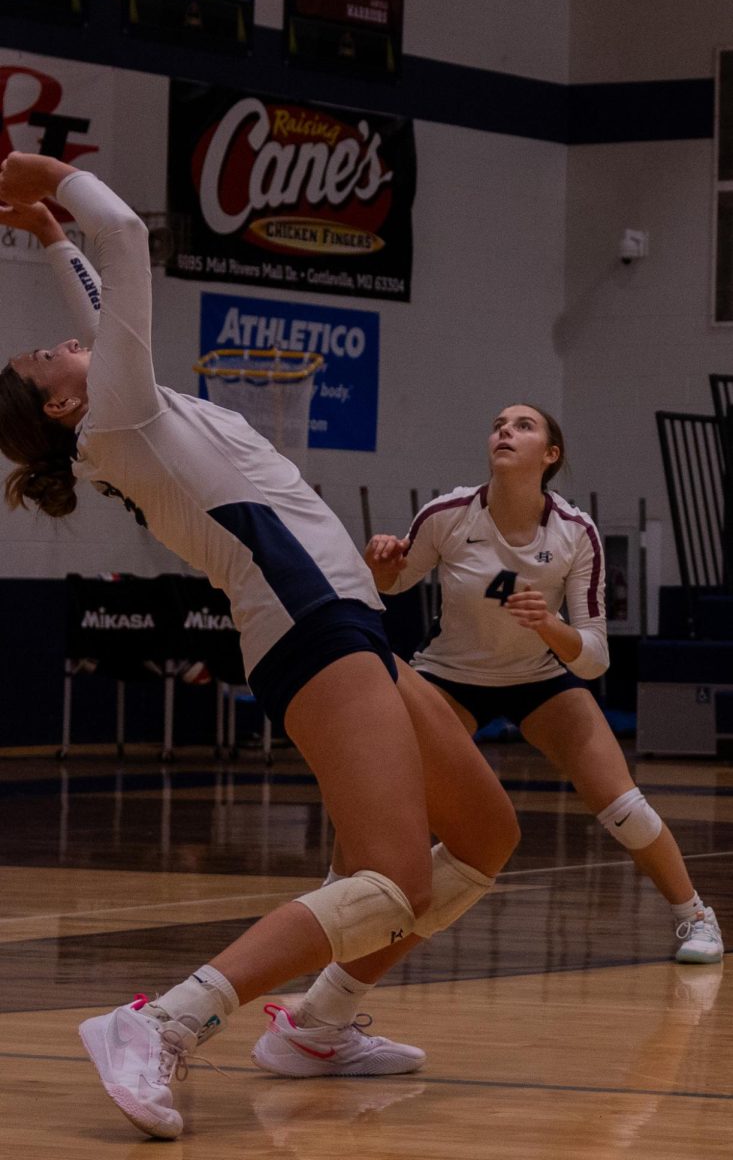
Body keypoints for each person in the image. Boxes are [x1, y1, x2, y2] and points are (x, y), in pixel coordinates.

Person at [0, 152, 520, 1139]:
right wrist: (51, 176)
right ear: (65, 405)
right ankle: (160, 1021)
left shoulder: (120, 406)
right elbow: (130, 241)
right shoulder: (118, 414)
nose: (62, 341)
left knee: (486, 834)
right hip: (305, 624)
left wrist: (50, 237)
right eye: (43, 357)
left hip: (343, 618)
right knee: (391, 878)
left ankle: (316, 1027)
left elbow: (103, 288)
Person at [255, 402, 724, 1073]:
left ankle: (694, 916)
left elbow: (592, 657)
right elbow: (381, 587)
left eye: (523, 425)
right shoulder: (447, 514)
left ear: (550, 455)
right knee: (379, 800)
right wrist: (380, 562)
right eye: (499, 423)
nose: (504, 430)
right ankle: (336, 914)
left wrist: (548, 627)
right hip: (449, 676)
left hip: (542, 676)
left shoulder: (574, 533)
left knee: (621, 805)